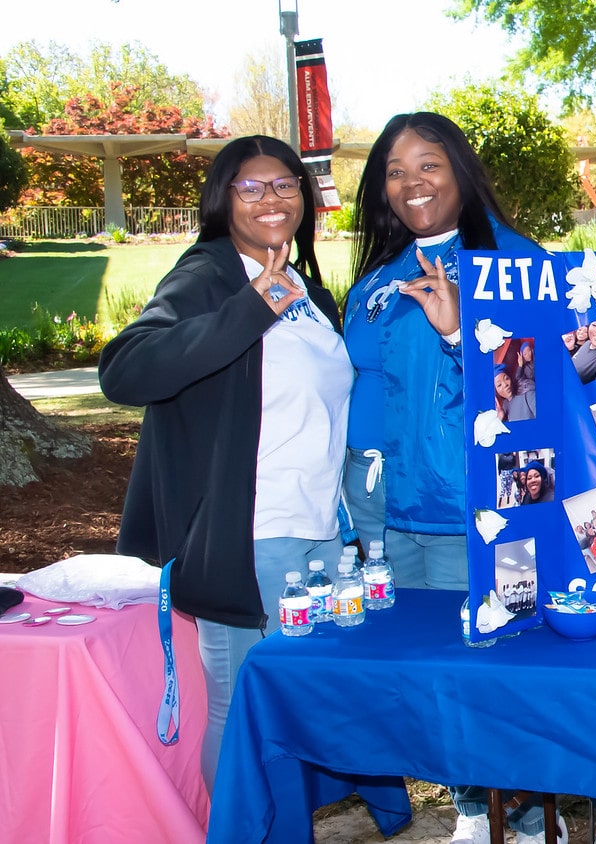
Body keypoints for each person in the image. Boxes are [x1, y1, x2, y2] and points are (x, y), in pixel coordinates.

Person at [98, 135, 352, 788]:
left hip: (318, 530)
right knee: (244, 711)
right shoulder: (208, 274)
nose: (272, 198)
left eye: (286, 185)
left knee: (300, 706)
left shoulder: (309, 293)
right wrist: (247, 310)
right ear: (223, 199)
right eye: (252, 186)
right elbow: (125, 370)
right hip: (252, 534)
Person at [340, 111, 557, 844]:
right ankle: (471, 806)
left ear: (461, 170)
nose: (412, 183)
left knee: (499, 670)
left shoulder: (519, 261)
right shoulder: (374, 284)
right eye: (395, 172)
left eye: (427, 164)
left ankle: (527, 816)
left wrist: (465, 334)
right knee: (427, 672)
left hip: (483, 511)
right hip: (388, 518)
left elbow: (540, 400)